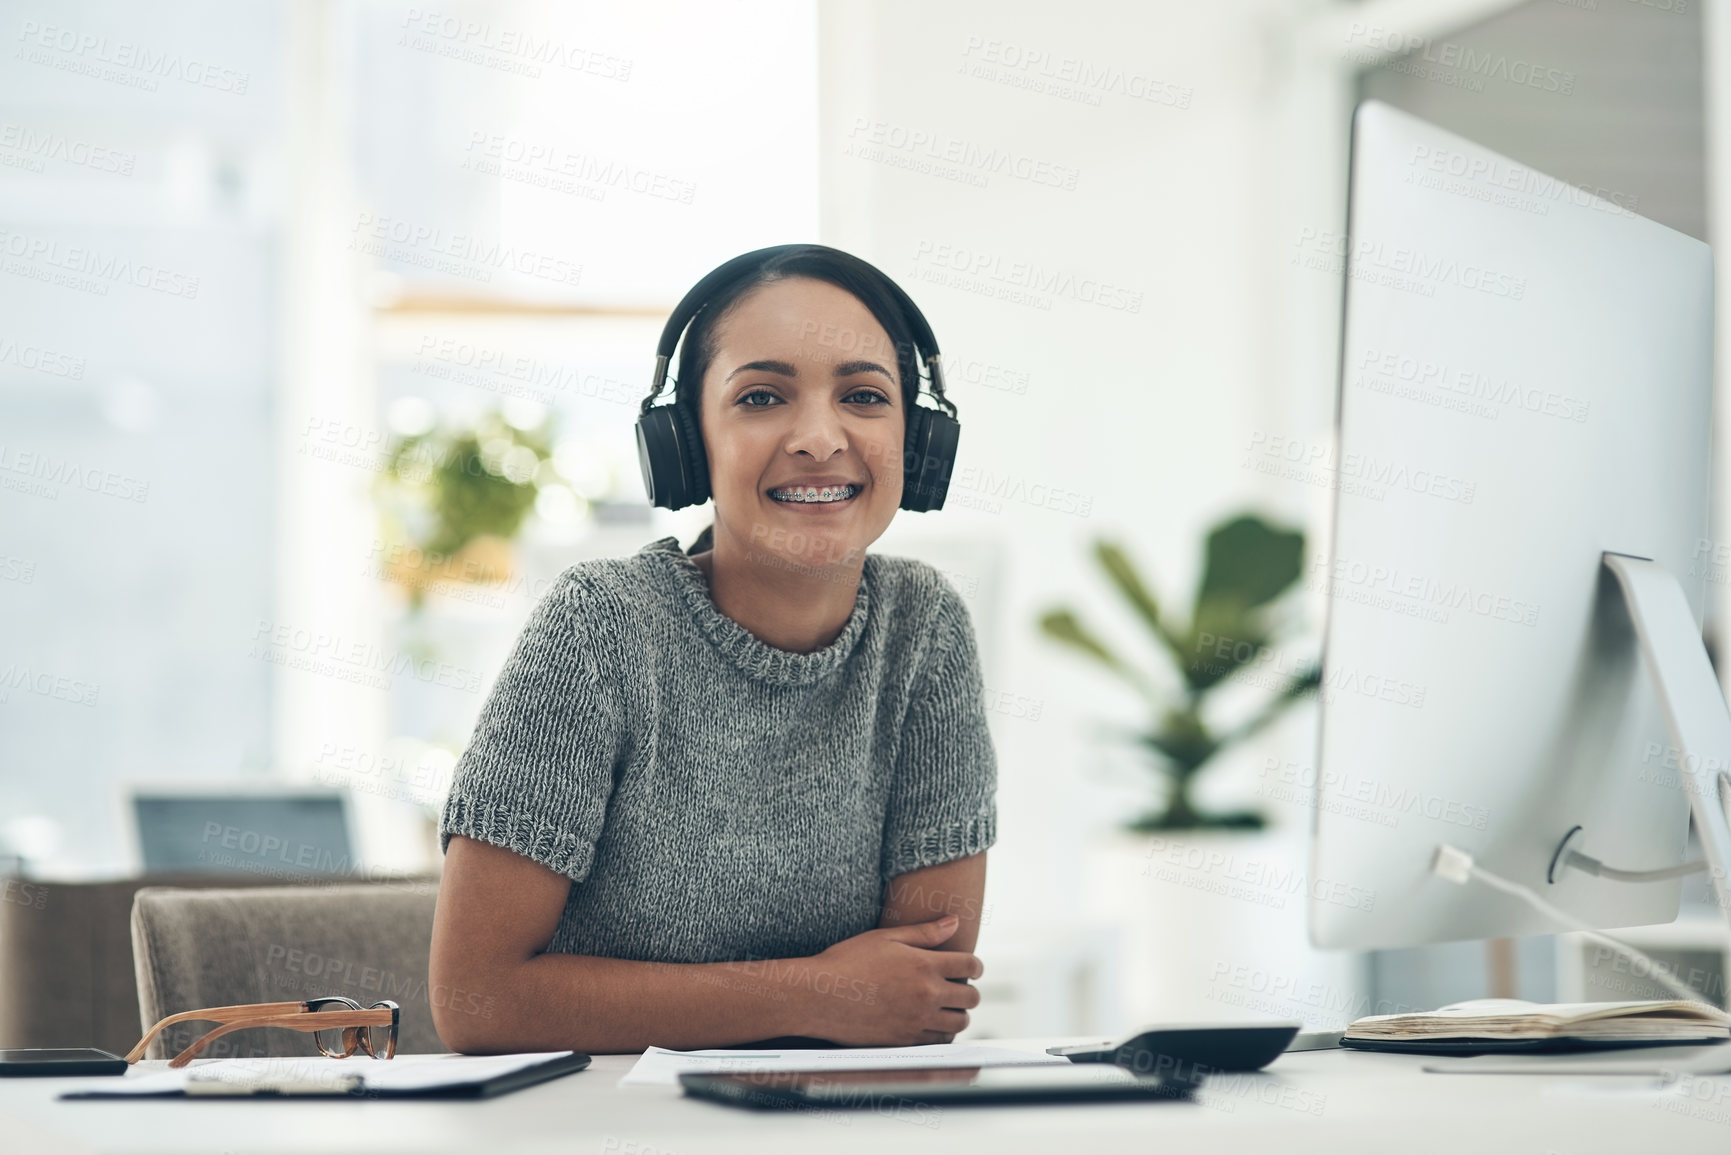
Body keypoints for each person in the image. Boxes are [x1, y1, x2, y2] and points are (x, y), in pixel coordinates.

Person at [429, 244, 997, 1054]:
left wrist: (841, 1003)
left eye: (864, 396)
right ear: (685, 442)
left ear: (918, 439)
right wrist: (814, 994)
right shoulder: (601, 628)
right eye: (762, 396)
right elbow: (476, 1000)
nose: (817, 437)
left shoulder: (924, 629)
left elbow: (914, 999)